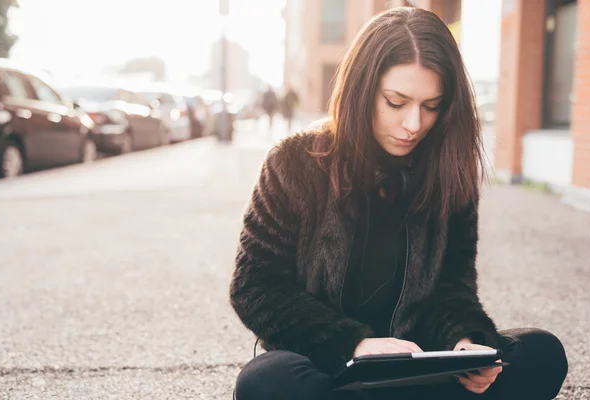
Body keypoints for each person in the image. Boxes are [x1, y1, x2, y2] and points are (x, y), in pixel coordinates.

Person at [230, 7, 568, 400]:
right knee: (266, 382)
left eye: (431, 106)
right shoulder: (292, 163)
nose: (414, 124)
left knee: (541, 353)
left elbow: (453, 286)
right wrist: (352, 344)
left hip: (420, 366)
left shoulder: (448, 171)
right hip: (329, 366)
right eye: (396, 102)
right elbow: (255, 287)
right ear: (362, 90)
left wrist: (465, 342)